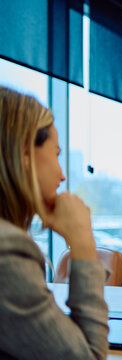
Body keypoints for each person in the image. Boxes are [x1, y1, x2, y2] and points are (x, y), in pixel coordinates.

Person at [0, 86, 109, 359]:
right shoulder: (8, 252)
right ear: (25, 153)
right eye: (57, 153)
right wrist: (83, 241)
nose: (62, 176)